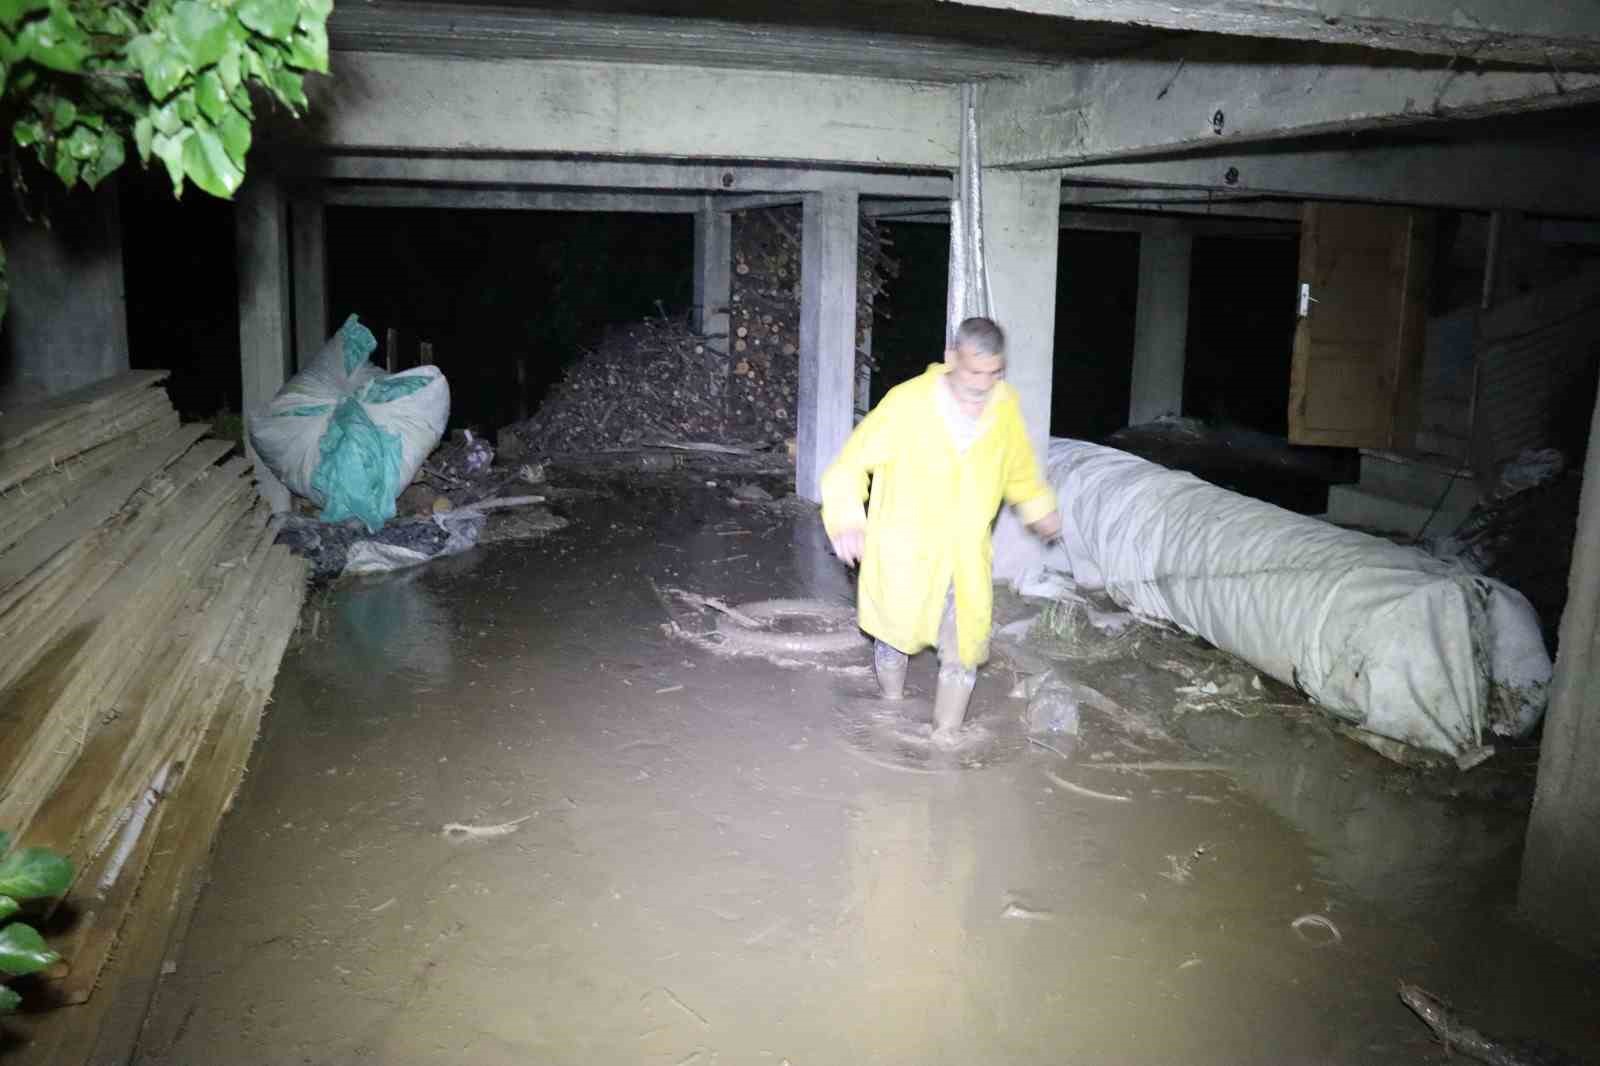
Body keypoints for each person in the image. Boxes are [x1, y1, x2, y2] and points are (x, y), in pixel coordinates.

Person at [820, 316, 1061, 745]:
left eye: (994, 373)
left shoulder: (1004, 405)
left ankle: (945, 739)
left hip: (965, 555)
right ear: (952, 359)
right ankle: (889, 708)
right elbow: (851, 461)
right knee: (894, 635)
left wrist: (1038, 507)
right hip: (905, 548)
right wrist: (846, 519)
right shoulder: (908, 403)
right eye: (974, 372)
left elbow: (1019, 467)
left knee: (964, 645)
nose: (984, 384)